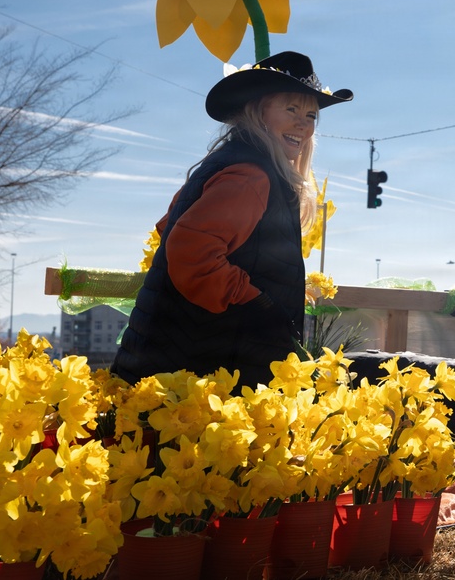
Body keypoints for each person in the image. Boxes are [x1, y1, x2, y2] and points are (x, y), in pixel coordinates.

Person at [111, 51, 353, 389]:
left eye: (311, 115)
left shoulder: (226, 162)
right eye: (291, 109)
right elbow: (189, 249)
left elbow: (169, 226)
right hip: (202, 375)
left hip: (164, 362)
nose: (303, 123)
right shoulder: (250, 176)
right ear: (257, 110)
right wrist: (255, 300)